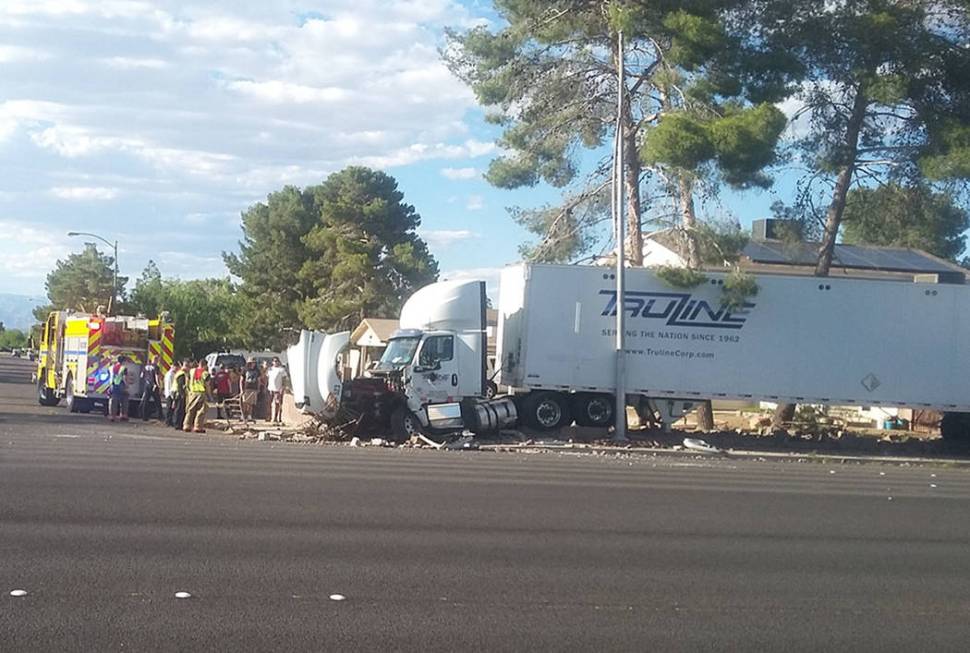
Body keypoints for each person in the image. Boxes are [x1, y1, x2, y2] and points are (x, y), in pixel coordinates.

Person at [183, 359, 212, 433]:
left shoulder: (191, 371)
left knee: (190, 409)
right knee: (201, 411)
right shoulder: (206, 374)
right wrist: (209, 395)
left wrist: (188, 390)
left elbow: (187, 381)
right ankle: (198, 426)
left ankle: (187, 425)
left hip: (192, 393)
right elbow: (207, 385)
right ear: (205, 365)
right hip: (201, 393)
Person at [266, 357, 288, 425]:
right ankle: (269, 416)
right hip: (270, 389)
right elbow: (267, 378)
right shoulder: (270, 369)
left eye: (277, 361)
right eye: (274, 361)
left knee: (277, 404)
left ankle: (276, 417)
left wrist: (282, 387)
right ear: (272, 362)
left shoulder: (281, 370)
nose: (276, 362)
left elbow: (284, 379)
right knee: (268, 403)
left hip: (277, 389)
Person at [108, 355, 130, 422]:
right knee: (124, 399)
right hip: (120, 385)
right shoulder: (124, 368)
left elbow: (109, 376)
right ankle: (123, 415)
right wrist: (127, 386)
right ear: (123, 361)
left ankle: (112, 416)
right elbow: (125, 378)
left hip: (112, 385)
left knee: (113, 401)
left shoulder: (111, 367)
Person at [140, 355, 162, 421]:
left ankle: (144, 416)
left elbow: (141, 375)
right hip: (154, 386)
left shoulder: (146, 366)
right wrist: (159, 385)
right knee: (158, 401)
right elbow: (156, 377)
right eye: (158, 360)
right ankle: (160, 416)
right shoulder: (156, 367)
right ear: (156, 360)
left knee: (146, 401)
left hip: (147, 385)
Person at [240, 358, 261, 423]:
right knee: (245, 402)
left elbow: (259, 380)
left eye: (254, 362)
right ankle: (243, 415)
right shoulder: (245, 369)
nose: (253, 364)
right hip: (246, 388)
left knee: (251, 403)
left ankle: (249, 415)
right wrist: (241, 389)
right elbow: (241, 380)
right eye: (252, 362)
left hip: (253, 388)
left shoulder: (257, 370)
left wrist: (258, 388)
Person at [171, 360, 190, 430]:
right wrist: (182, 394)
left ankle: (177, 423)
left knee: (178, 409)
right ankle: (177, 424)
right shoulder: (182, 374)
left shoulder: (180, 373)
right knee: (179, 409)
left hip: (176, 392)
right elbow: (180, 385)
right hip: (178, 393)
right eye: (188, 367)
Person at [163, 361, 177, 426]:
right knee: (169, 408)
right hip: (170, 393)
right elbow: (171, 385)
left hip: (168, 392)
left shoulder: (168, 373)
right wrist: (172, 395)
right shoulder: (171, 374)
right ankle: (168, 421)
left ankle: (169, 421)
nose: (176, 369)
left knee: (171, 408)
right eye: (176, 367)